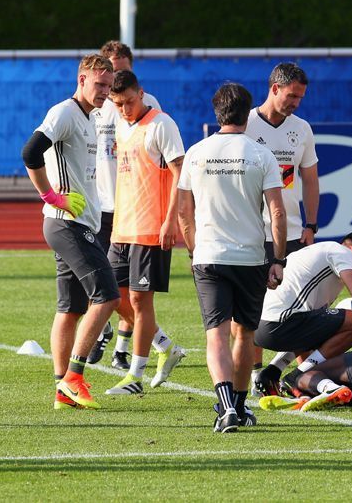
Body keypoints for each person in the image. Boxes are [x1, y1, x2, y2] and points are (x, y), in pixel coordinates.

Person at [177, 83, 287, 433]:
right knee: (245, 336)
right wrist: (279, 259)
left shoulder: (197, 152)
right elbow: (277, 212)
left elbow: (183, 211)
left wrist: (195, 249)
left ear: (217, 112)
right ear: (247, 113)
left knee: (216, 335)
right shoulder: (260, 154)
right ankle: (238, 406)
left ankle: (226, 408)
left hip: (209, 255)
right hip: (251, 257)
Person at [21, 54, 119, 410]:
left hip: (76, 223)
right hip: (67, 224)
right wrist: (51, 196)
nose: (104, 92)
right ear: (81, 80)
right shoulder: (64, 112)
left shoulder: (91, 117)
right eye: (99, 85)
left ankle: (62, 386)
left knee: (70, 309)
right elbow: (31, 151)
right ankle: (75, 378)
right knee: (107, 297)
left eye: (108, 86)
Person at [89, 40, 174, 371]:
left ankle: (123, 350)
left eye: (123, 71)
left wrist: (171, 217)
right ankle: (152, 341)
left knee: (134, 292)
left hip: (137, 212)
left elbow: (168, 163)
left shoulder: (147, 107)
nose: (117, 78)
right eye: (111, 71)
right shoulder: (96, 103)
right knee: (107, 286)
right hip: (101, 204)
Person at [100, 70, 186, 395]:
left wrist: (170, 220)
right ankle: (166, 345)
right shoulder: (122, 125)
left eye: (129, 102)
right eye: (118, 104)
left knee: (139, 299)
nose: (124, 109)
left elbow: (180, 171)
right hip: (122, 227)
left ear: (142, 93)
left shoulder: (162, 124)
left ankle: (134, 376)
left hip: (151, 227)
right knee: (109, 294)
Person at [251, 233, 352, 398]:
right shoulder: (342, 252)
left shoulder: (321, 260)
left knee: (326, 326)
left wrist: (308, 377)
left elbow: (310, 332)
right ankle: (294, 377)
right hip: (279, 323)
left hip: (260, 328)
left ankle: (271, 373)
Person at [245, 62, 321, 393]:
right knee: (252, 309)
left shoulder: (301, 129)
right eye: (292, 96)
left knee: (297, 308)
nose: (295, 103)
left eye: (300, 98)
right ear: (274, 88)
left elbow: (310, 178)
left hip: (290, 234)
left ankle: (284, 374)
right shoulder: (243, 124)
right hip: (250, 233)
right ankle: (254, 376)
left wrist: (311, 224)